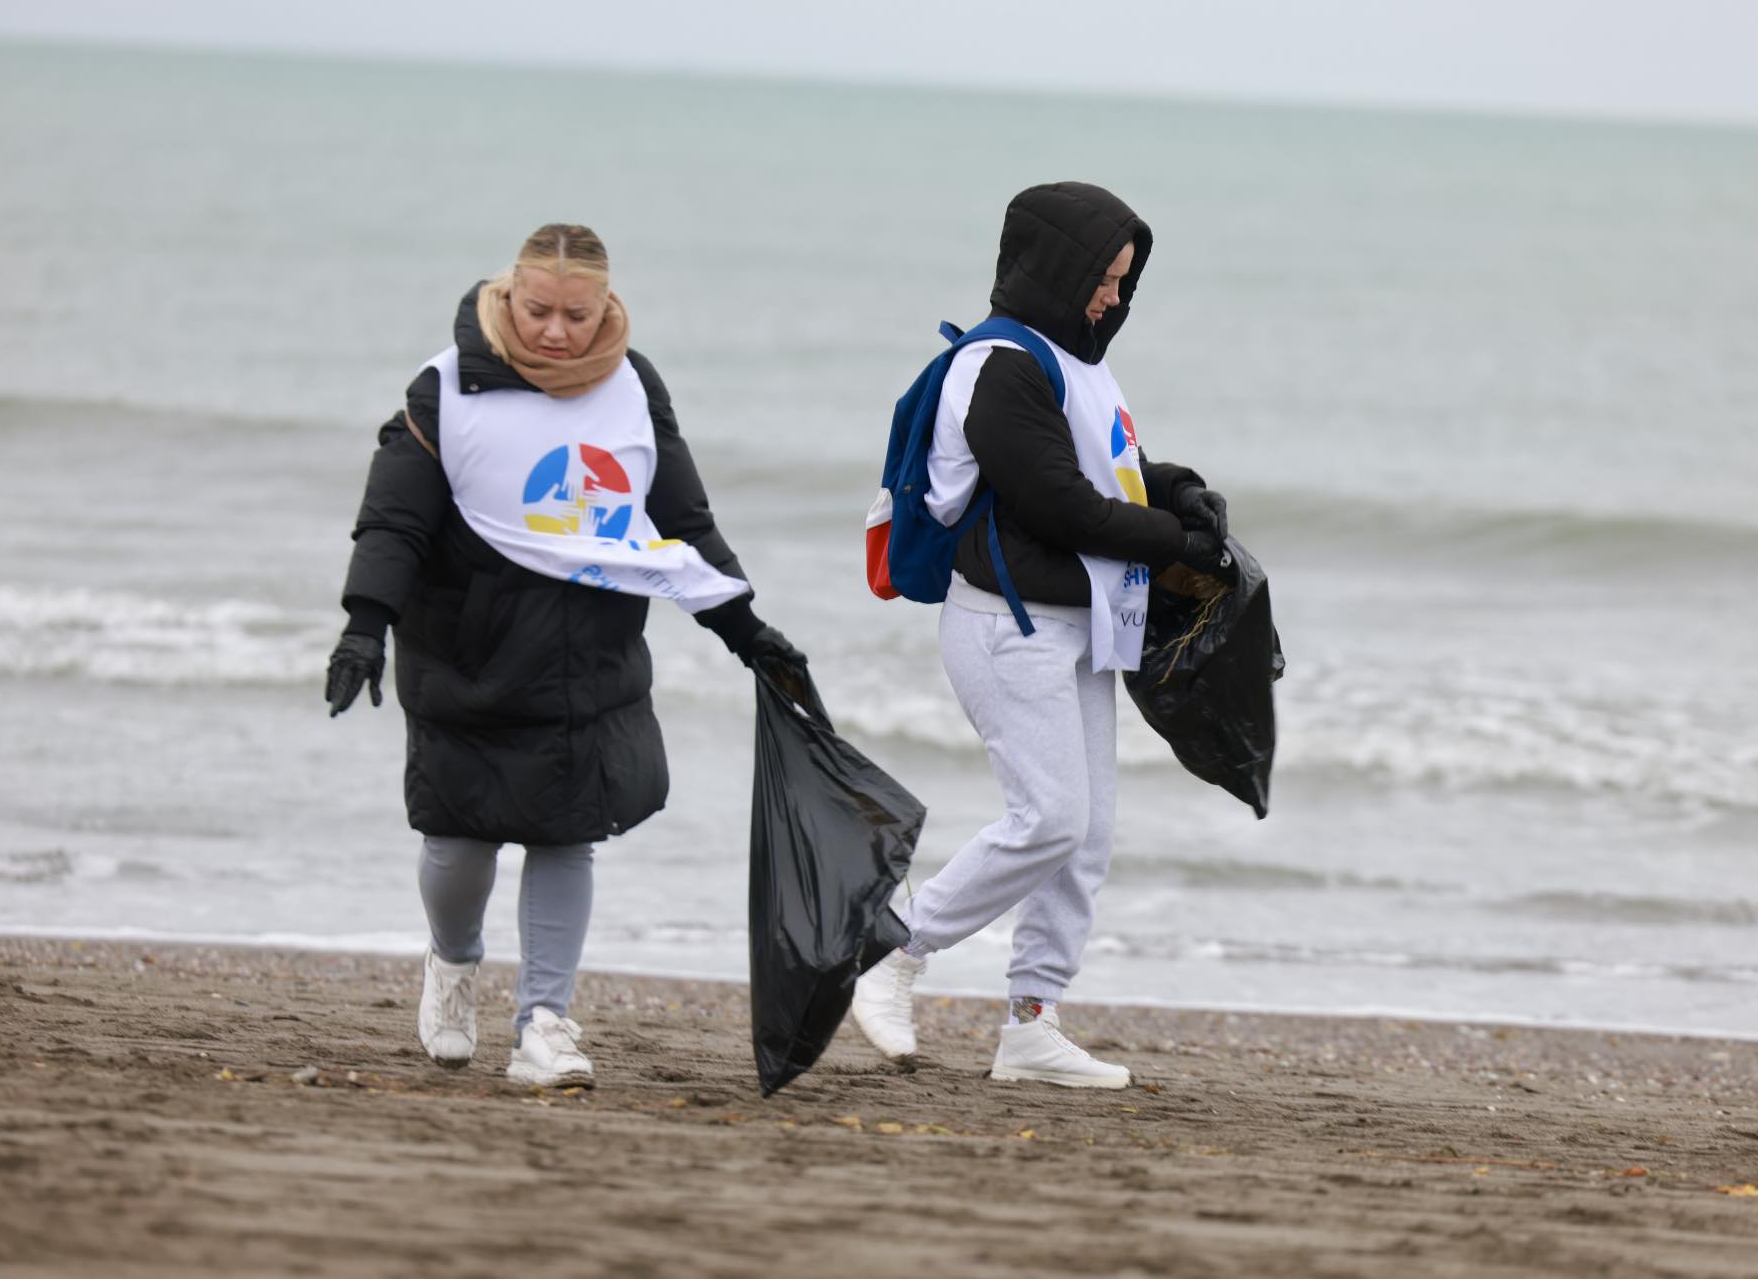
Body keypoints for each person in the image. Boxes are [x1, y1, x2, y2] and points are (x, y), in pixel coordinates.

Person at [327, 223, 805, 1088]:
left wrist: (748, 631)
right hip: (466, 652)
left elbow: (682, 524)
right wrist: (366, 624)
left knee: (567, 837)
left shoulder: (633, 387)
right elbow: (395, 519)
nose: (555, 331)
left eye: (576, 316)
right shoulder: (446, 389)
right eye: (538, 311)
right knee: (459, 847)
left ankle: (543, 1024)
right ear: (508, 297)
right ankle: (453, 963)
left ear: (606, 306)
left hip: (589, 655)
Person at [851, 182, 1229, 1088]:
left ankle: (1031, 1023)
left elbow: (1113, 472)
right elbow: (1059, 503)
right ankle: (892, 948)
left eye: (1124, 280)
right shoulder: (999, 366)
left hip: (1084, 622)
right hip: (1005, 625)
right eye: (1103, 277)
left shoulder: (1078, 363)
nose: (1113, 296)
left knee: (1085, 838)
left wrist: (1181, 490)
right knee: (1049, 819)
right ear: (1058, 267)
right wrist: (1180, 546)